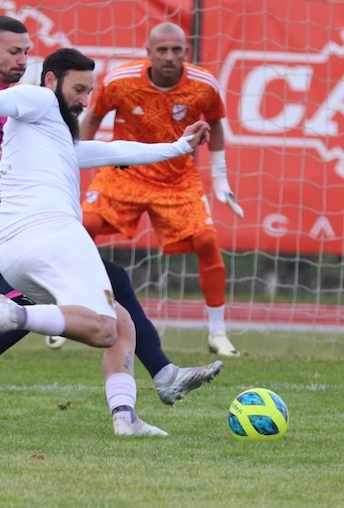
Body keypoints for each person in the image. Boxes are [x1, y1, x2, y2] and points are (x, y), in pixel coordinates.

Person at [0, 16, 223, 426]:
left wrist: (178, 146)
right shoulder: (30, 98)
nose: (22, 59)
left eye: (26, 51)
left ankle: (136, 404)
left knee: (118, 300)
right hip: (5, 217)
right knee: (69, 318)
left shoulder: (52, 123)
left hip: (23, 229)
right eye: (13, 51)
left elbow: (108, 149)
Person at [78, 22, 243, 357]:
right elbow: (93, 119)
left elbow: (215, 125)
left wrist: (221, 179)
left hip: (177, 178)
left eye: (177, 50)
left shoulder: (203, 85)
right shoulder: (119, 81)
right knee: (83, 228)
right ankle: (70, 313)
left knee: (208, 241)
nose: (170, 57)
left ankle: (217, 334)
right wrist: (72, 160)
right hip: (125, 171)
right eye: (162, 50)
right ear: (148, 52)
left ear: (187, 51)